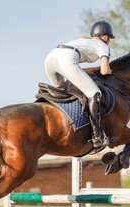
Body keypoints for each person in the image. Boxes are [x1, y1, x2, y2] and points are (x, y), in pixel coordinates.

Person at [44, 20, 115, 151]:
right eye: (109, 37)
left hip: (51, 58)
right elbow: (105, 71)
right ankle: (97, 136)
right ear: (105, 37)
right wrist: (111, 71)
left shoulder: (82, 40)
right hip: (67, 59)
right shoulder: (103, 45)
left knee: (63, 92)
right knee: (95, 94)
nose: (109, 40)